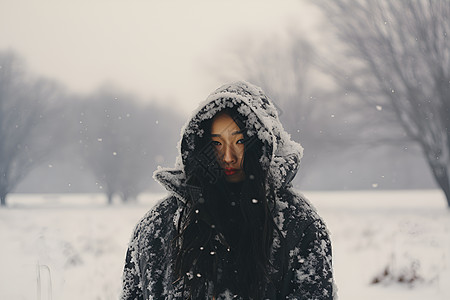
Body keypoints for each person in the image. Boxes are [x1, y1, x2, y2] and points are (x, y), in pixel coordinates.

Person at [121, 81, 335, 299]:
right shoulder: (159, 225)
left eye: (240, 141)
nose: (228, 156)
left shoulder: (297, 223)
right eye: (217, 143)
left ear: (261, 144)